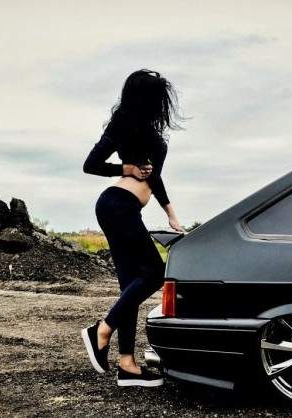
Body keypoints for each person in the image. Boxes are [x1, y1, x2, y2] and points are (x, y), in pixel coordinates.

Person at [80, 69, 185, 387]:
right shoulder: (121, 124)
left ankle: (127, 364)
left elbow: (154, 178)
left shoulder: (149, 133)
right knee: (154, 273)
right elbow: (90, 164)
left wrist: (171, 214)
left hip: (124, 209)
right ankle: (101, 330)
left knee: (131, 286)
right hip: (117, 205)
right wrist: (125, 168)